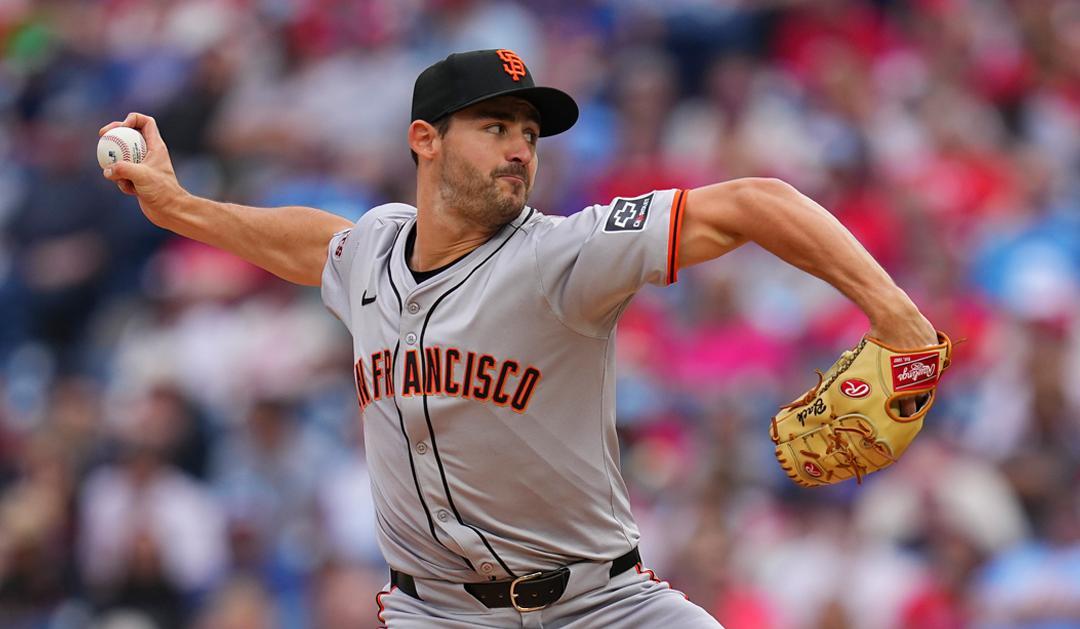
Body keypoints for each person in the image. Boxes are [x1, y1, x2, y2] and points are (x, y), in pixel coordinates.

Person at [100, 48, 937, 628]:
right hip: (436, 611)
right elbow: (305, 239)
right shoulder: (374, 249)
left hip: (601, 605)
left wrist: (898, 322)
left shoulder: (563, 255)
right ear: (424, 139)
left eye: (530, 135)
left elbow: (758, 200)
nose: (520, 149)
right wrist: (178, 207)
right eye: (495, 126)